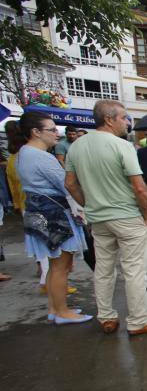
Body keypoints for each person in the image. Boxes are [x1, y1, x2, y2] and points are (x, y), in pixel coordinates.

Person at [65, 99, 147, 335]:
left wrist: (89, 204)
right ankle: (138, 321)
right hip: (127, 215)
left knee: (103, 268)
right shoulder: (122, 146)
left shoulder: (76, 146)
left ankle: (106, 316)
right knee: (134, 270)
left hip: (99, 218)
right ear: (109, 119)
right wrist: (146, 214)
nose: (127, 122)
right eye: (124, 118)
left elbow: (70, 184)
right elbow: (139, 187)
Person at [15, 111, 90, 324]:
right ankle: (62, 311)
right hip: (54, 214)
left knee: (53, 265)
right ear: (36, 132)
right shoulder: (41, 157)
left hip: (39, 211)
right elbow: (67, 184)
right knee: (61, 267)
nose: (57, 133)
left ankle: (54, 308)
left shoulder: (24, 153)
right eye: (52, 129)